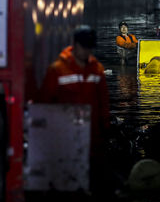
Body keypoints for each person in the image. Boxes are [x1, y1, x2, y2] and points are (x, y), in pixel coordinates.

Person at [40, 25, 111, 160]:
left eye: (89, 47)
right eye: (84, 47)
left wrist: (105, 127)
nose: (86, 51)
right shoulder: (57, 70)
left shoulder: (97, 70)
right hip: (65, 134)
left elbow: (104, 102)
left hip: (92, 135)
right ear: (75, 45)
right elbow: (46, 102)